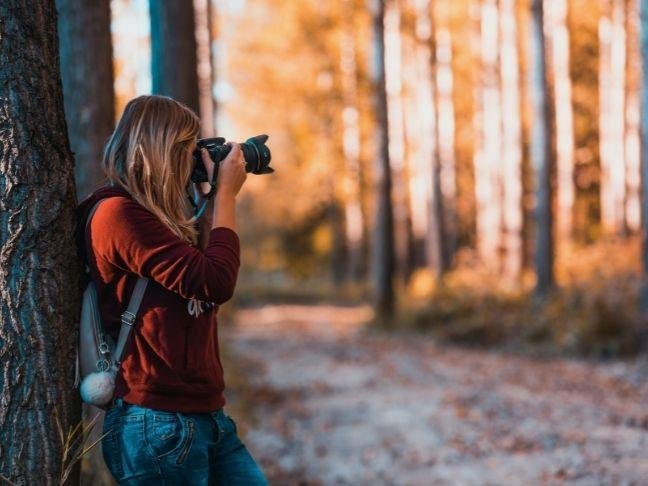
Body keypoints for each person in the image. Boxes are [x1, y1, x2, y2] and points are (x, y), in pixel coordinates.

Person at [75, 95, 269, 485]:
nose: (193, 157)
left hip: (203, 417)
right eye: (187, 147)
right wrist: (226, 197)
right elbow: (215, 282)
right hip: (156, 422)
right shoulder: (118, 214)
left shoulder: (155, 218)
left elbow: (193, 285)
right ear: (162, 150)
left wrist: (207, 203)